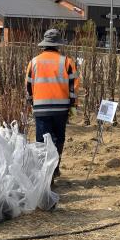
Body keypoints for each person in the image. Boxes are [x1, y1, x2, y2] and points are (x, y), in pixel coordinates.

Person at [25, 29, 78, 178]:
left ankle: (44, 174)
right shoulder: (67, 61)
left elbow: (28, 86)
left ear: (44, 45)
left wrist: (31, 103)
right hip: (61, 109)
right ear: (58, 45)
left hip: (40, 109)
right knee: (59, 139)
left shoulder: (33, 62)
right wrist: (72, 105)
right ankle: (55, 169)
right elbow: (73, 85)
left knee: (42, 141)